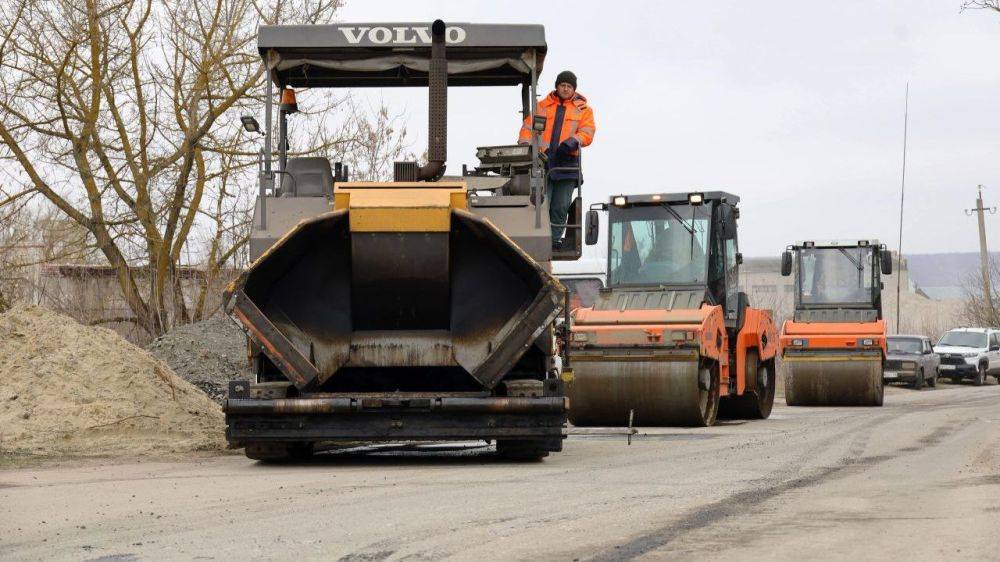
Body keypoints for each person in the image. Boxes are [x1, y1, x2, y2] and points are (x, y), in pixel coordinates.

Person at [518, 70, 596, 247]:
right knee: (541, 202)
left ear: (574, 89)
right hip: (543, 162)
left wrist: (572, 142)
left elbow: (587, 132)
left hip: (567, 164)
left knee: (561, 206)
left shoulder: (584, 110)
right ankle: (539, 238)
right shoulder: (542, 106)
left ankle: (554, 240)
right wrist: (524, 146)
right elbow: (527, 128)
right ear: (557, 86)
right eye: (563, 85)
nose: (566, 88)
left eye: (569, 86)